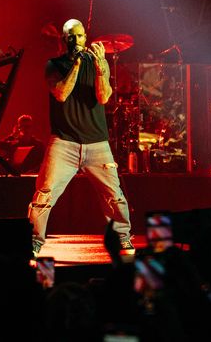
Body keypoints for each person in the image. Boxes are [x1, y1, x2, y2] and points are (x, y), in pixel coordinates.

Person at [28, 18, 134, 256]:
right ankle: (34, 241)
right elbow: (61, 93)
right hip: (63, 143)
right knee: (44, 194)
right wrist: (75, 64)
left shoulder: (97, 62)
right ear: (64, 39)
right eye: (71, 36)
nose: (76, 40)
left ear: (85, 38)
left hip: (97, 143)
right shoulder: (53, 65)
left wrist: (101, 66)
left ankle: (122, 238)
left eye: (80, 36)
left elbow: (104, 96)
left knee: (114, 195)